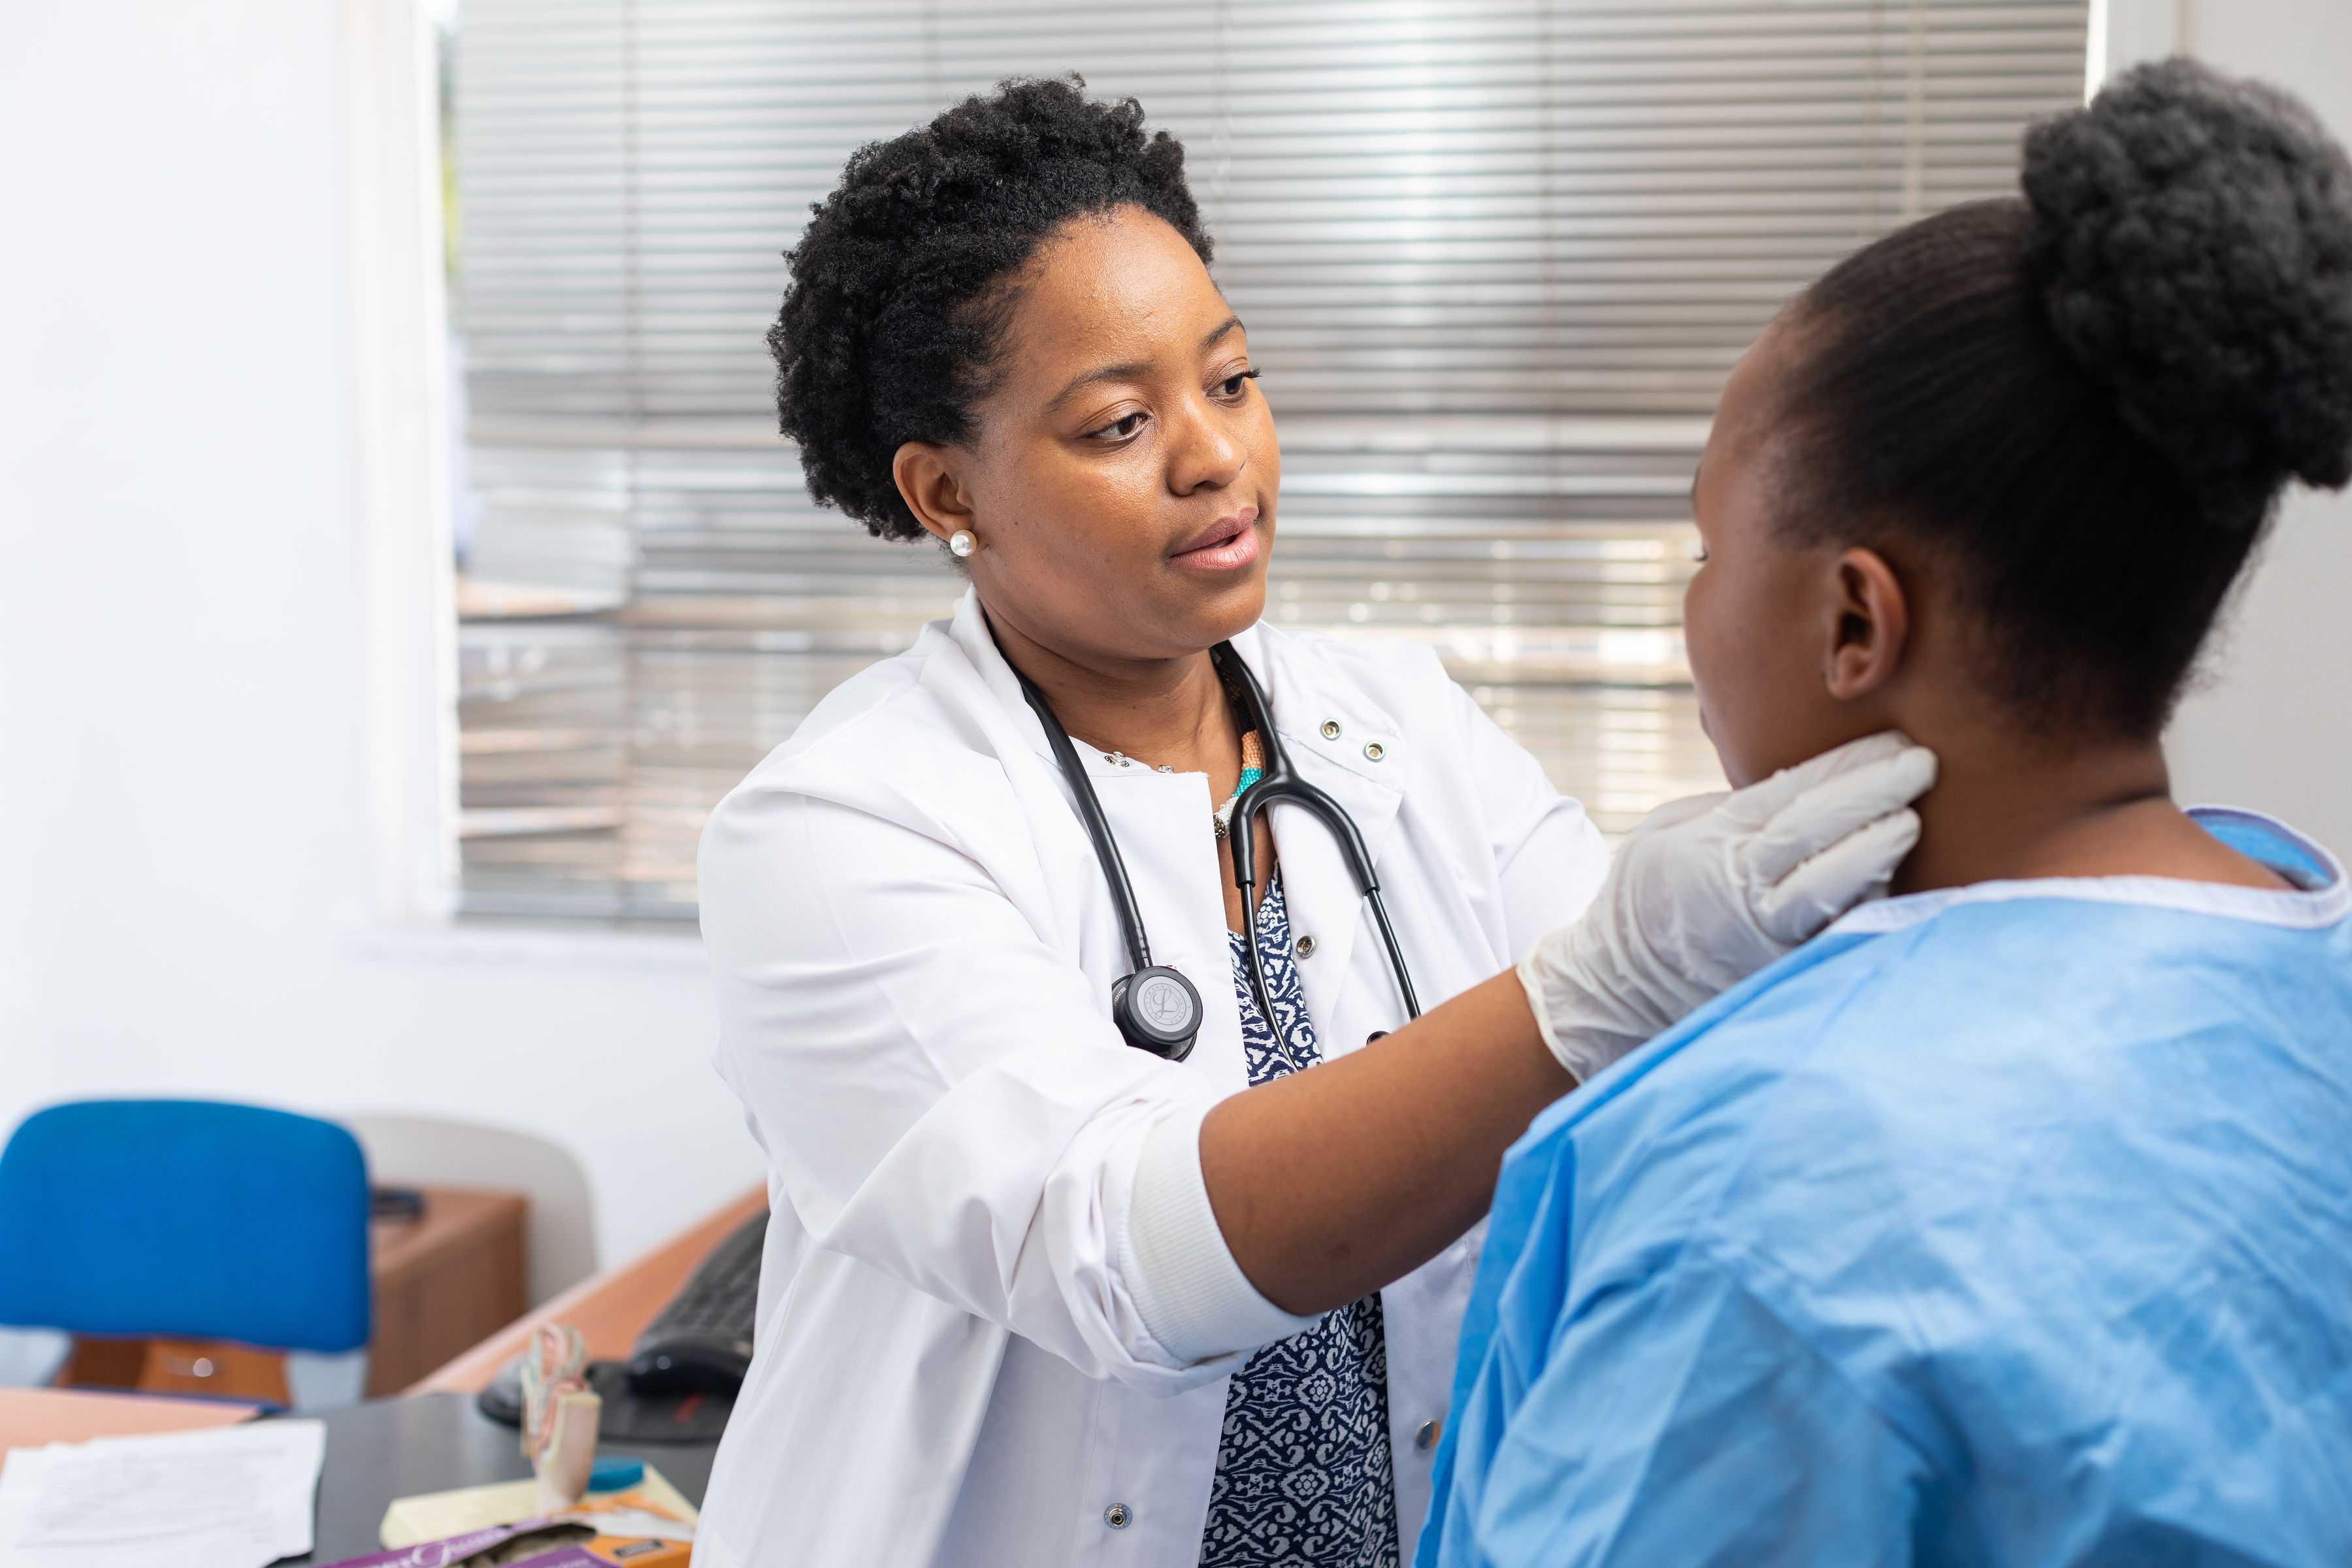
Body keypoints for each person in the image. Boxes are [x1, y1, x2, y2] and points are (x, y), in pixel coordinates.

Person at [691, 78, 1933, 1568]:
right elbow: (1128, 1258)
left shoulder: (1400, 729)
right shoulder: (840, 831)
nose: (1213, 455)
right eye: (1120, 423)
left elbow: (1656, 1107)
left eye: (1231, 381)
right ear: (947, 489)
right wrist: (1599, 985)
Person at [1422, 57, 2352, 1567]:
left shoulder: (1759, 1193)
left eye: (1710, 547)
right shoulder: (2302, 940)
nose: (1694, 604)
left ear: (1855, 621)